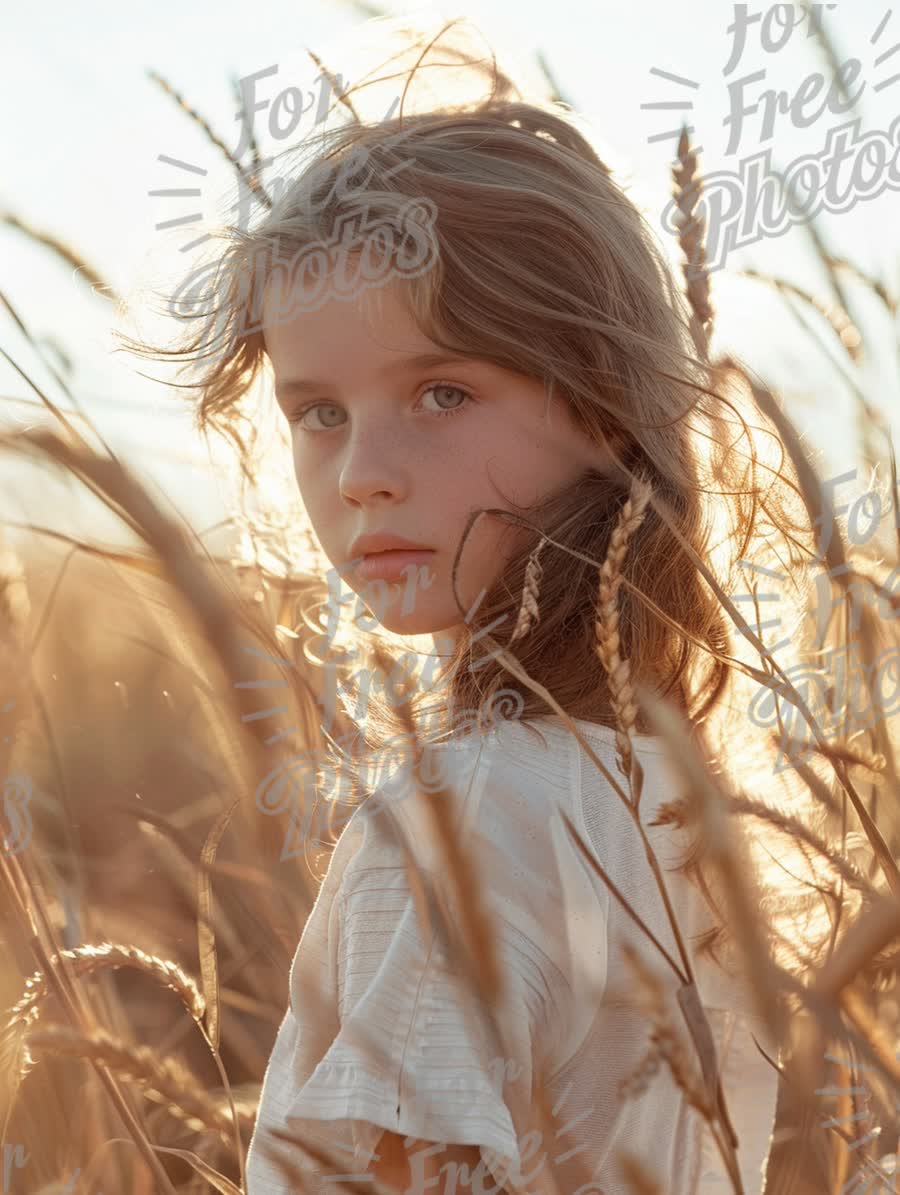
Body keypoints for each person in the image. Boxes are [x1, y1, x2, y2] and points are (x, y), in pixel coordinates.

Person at [122, 18, 831, 1192]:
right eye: (318, 411)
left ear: (603, 407)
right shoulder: (679, 811)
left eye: (442, 390)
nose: (360, 474)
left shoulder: (464, 815)